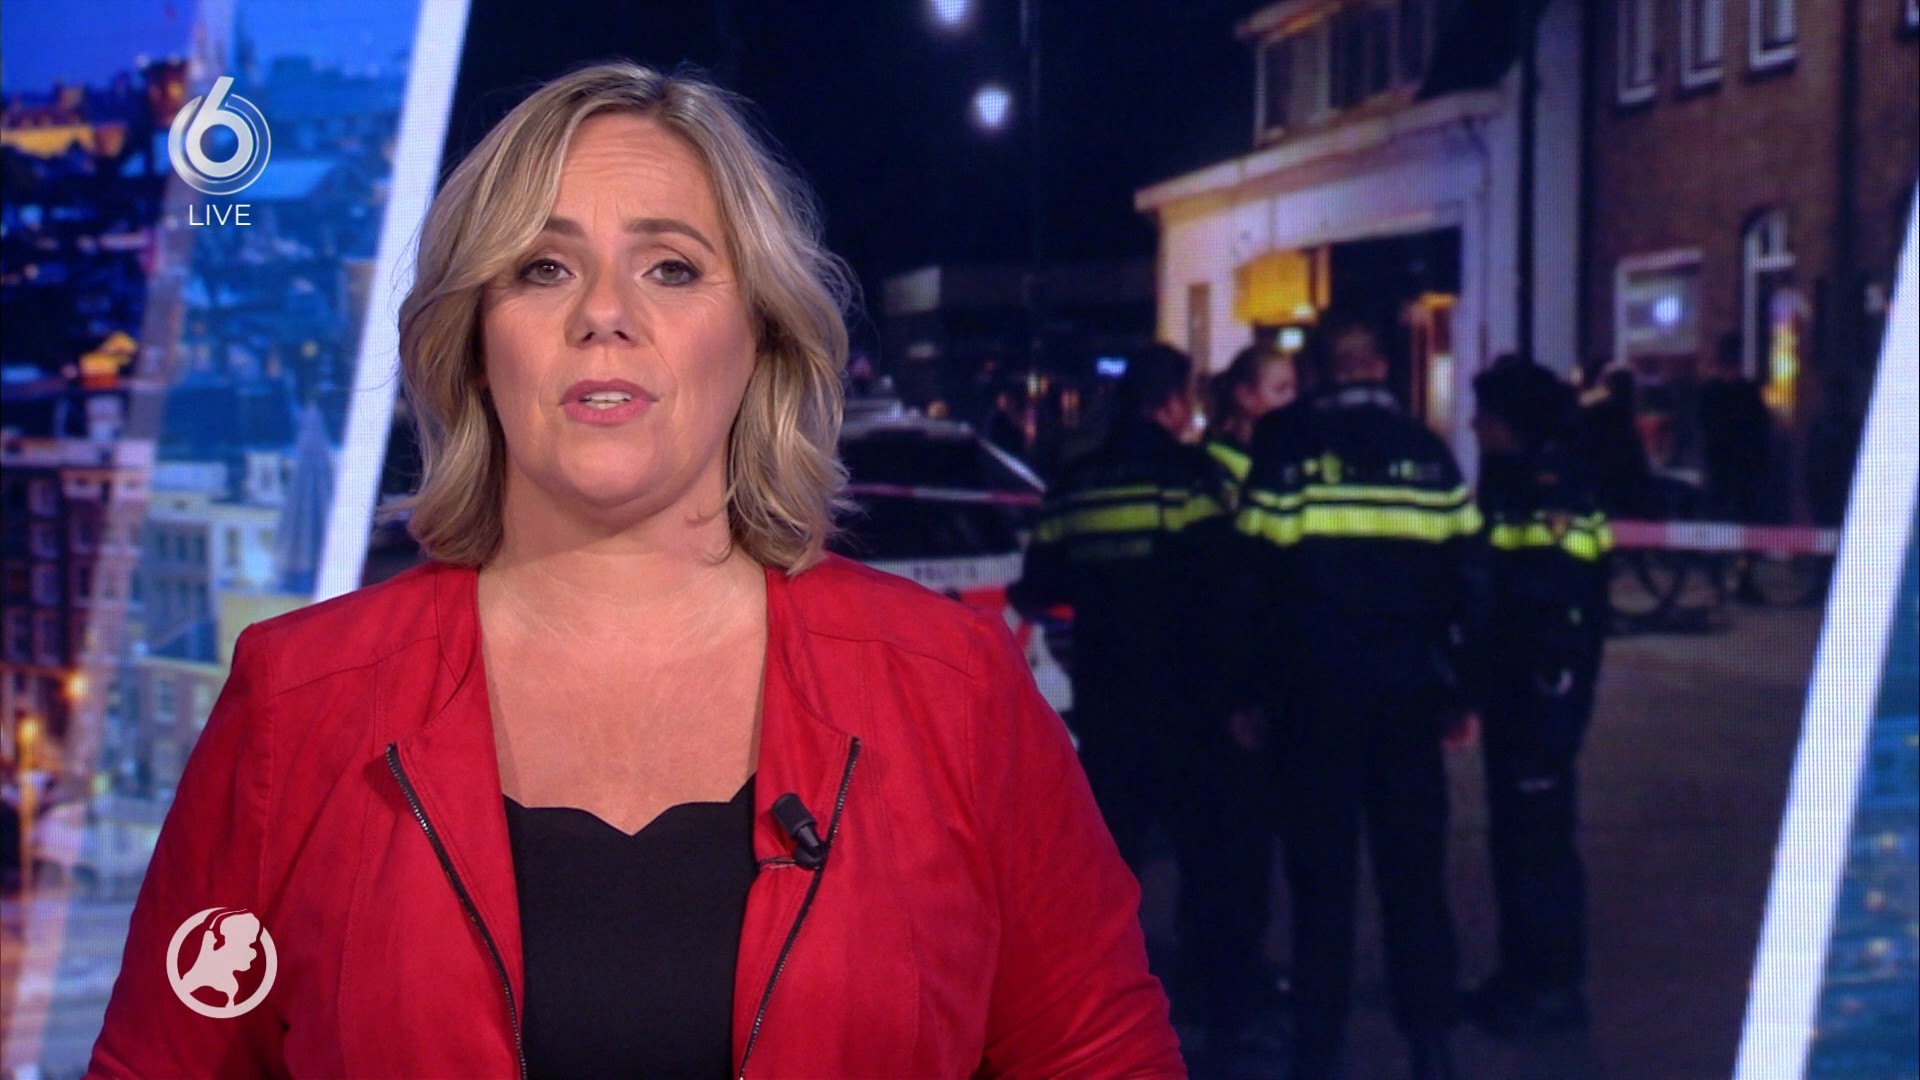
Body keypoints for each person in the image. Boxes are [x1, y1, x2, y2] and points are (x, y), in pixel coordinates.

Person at [87, 62, 1182, 1079]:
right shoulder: (297, 706)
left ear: (759, 336)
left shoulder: (955, 690)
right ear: (476, 341)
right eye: (544, 268)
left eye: (671, 267)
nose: (604, 314)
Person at [1225, 310, 1478, 1080]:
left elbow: (1250, 587)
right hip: (1407, 699)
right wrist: (1461, 692)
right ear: (1383, 367)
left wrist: (1247, 691)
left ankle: (1318, 1050)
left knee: (1320, 883)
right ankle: (1430, 1045)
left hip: (1313, 700)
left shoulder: (1286, 451)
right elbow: (1469, 584)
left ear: (1322, 372)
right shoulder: (1429, 453)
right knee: (1415, 877)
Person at [1009, 344, 1260, 1057]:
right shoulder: (1194, 478)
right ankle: (1219, 1011)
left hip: (1107, 703)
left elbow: (1038, 582)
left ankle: (1097, 1008)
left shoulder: (1076, 485)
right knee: (1210, 862)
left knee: (1108, 863)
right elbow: (1227, 589)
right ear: (1174, 403)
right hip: (1188, 704)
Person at [1462, 354, 1611, 1036]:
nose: (1474, 426)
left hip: (1540, 689)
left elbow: (1552, 598)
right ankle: (1522, 975)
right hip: (1518, 686)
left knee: (1538, 841)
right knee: (1516, 837)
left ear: (1510, 423)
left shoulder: (1549, 488)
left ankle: (1551, 986)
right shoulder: (1516, 480)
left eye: (1485, 416)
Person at [1204, 341, 1300, 507]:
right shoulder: (1215, 462)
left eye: (1294, 388)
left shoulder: (1294, 454)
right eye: (1281, 389)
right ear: (1245, 396)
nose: (1292, 398)